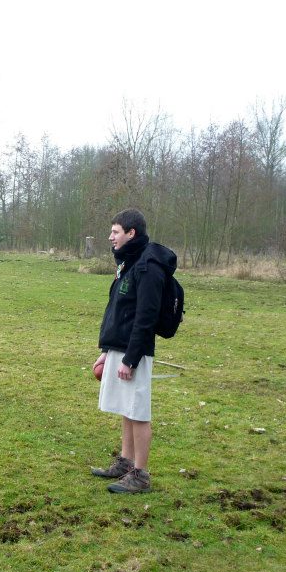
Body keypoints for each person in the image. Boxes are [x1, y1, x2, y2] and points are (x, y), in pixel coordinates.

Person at [91, 208, 176, 494]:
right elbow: (119, 311)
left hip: (136, 351)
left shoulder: (148, 266)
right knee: (126, 408)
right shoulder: (129, 262)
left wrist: (130, 358)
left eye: (115, 232)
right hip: (121, 347)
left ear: (131, 233)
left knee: (138, 411)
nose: (110, 237)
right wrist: (108, 350)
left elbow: (145, 317)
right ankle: (125, 462)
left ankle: (141, 475)